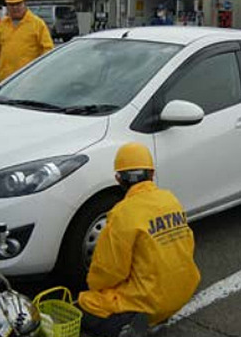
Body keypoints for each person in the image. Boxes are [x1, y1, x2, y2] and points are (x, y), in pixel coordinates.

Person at [78, 142, 201, 337]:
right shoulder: (170, 199)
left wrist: (94, 287)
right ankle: (158, 317)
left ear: (119, 179)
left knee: (87, 304)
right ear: (151, 174)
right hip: (183, 292)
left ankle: (129, 327)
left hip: (150, 302)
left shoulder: (122, 213)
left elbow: (109, 271)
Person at [0, 0, 53, 84]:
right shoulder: (3, 25)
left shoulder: (37, 24)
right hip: (3, 82)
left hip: (27, 82)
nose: (15, 8)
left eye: (18, 4)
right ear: (7, 5)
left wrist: (41, 72)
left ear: (24, 3)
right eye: (11, 4)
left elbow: (48, 50)